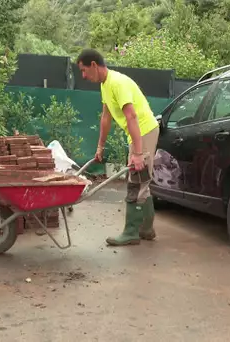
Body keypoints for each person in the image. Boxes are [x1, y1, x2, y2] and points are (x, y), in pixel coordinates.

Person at [76, 48, 160, 246]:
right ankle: (146, 229)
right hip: (138, 133)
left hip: (144, 131)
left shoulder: (117, 83)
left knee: (136, 181)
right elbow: (106, 117)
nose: (83, 75)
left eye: (84, 70)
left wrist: (138, 153)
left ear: (94, 65)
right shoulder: (105, 85)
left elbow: (131, 116)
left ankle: (131, 232)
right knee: (141, 179)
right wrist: (100, 147)